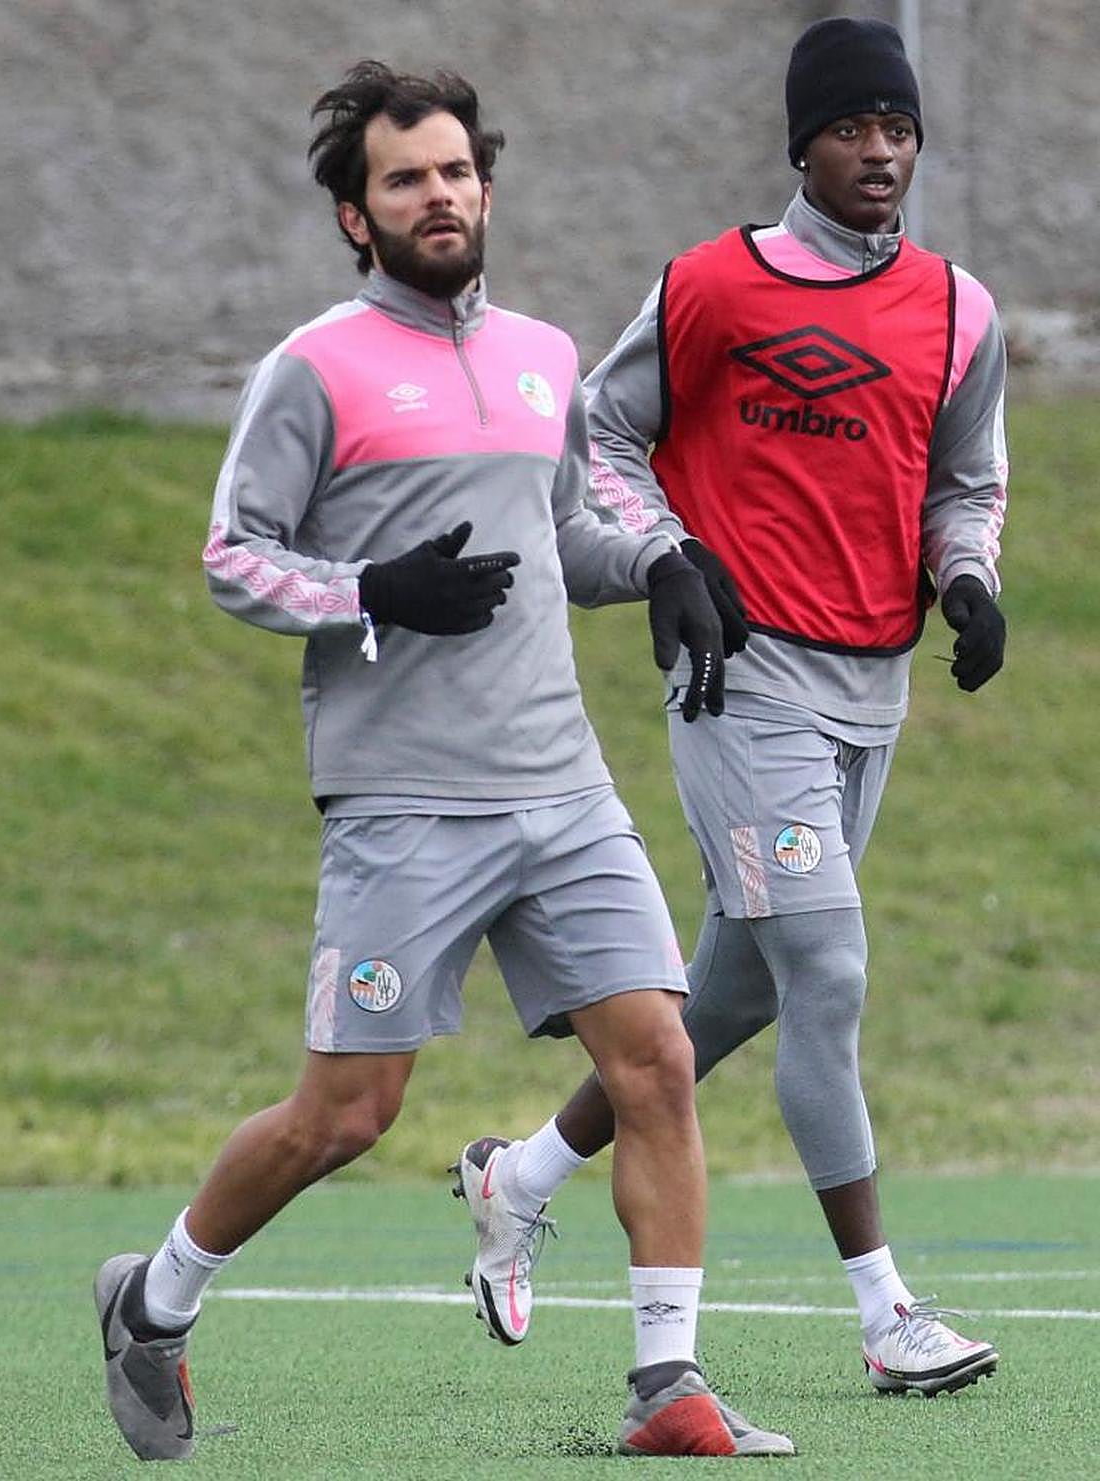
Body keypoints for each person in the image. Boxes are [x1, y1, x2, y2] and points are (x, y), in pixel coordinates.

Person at [92, 61, 794, 1461]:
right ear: (356, 216)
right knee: (347, 1114)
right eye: (406, 179)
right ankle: (153, 1301)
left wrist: (657, 562)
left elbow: (561, 535)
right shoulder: (314, 370)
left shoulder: (543, 354)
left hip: (563, 786)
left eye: (459, 172)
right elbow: (234, 557)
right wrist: (371, 590)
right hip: (404, 800)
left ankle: (667, 1387)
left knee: (658, 1059)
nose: (441, 196)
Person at [457, 17, 1006, 1398]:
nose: (879, 150)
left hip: (872, 688)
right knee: (829, 971)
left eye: (899, 128)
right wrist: (668, 554)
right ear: (801, 145)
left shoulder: (961, 311)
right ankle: (886, 1314)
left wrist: (969, 579)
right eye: (851, 127)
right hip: (740, 679)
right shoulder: (712, 286)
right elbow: (601, 433)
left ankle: (520, 1176)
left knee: (741, 989)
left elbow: (966, 480)